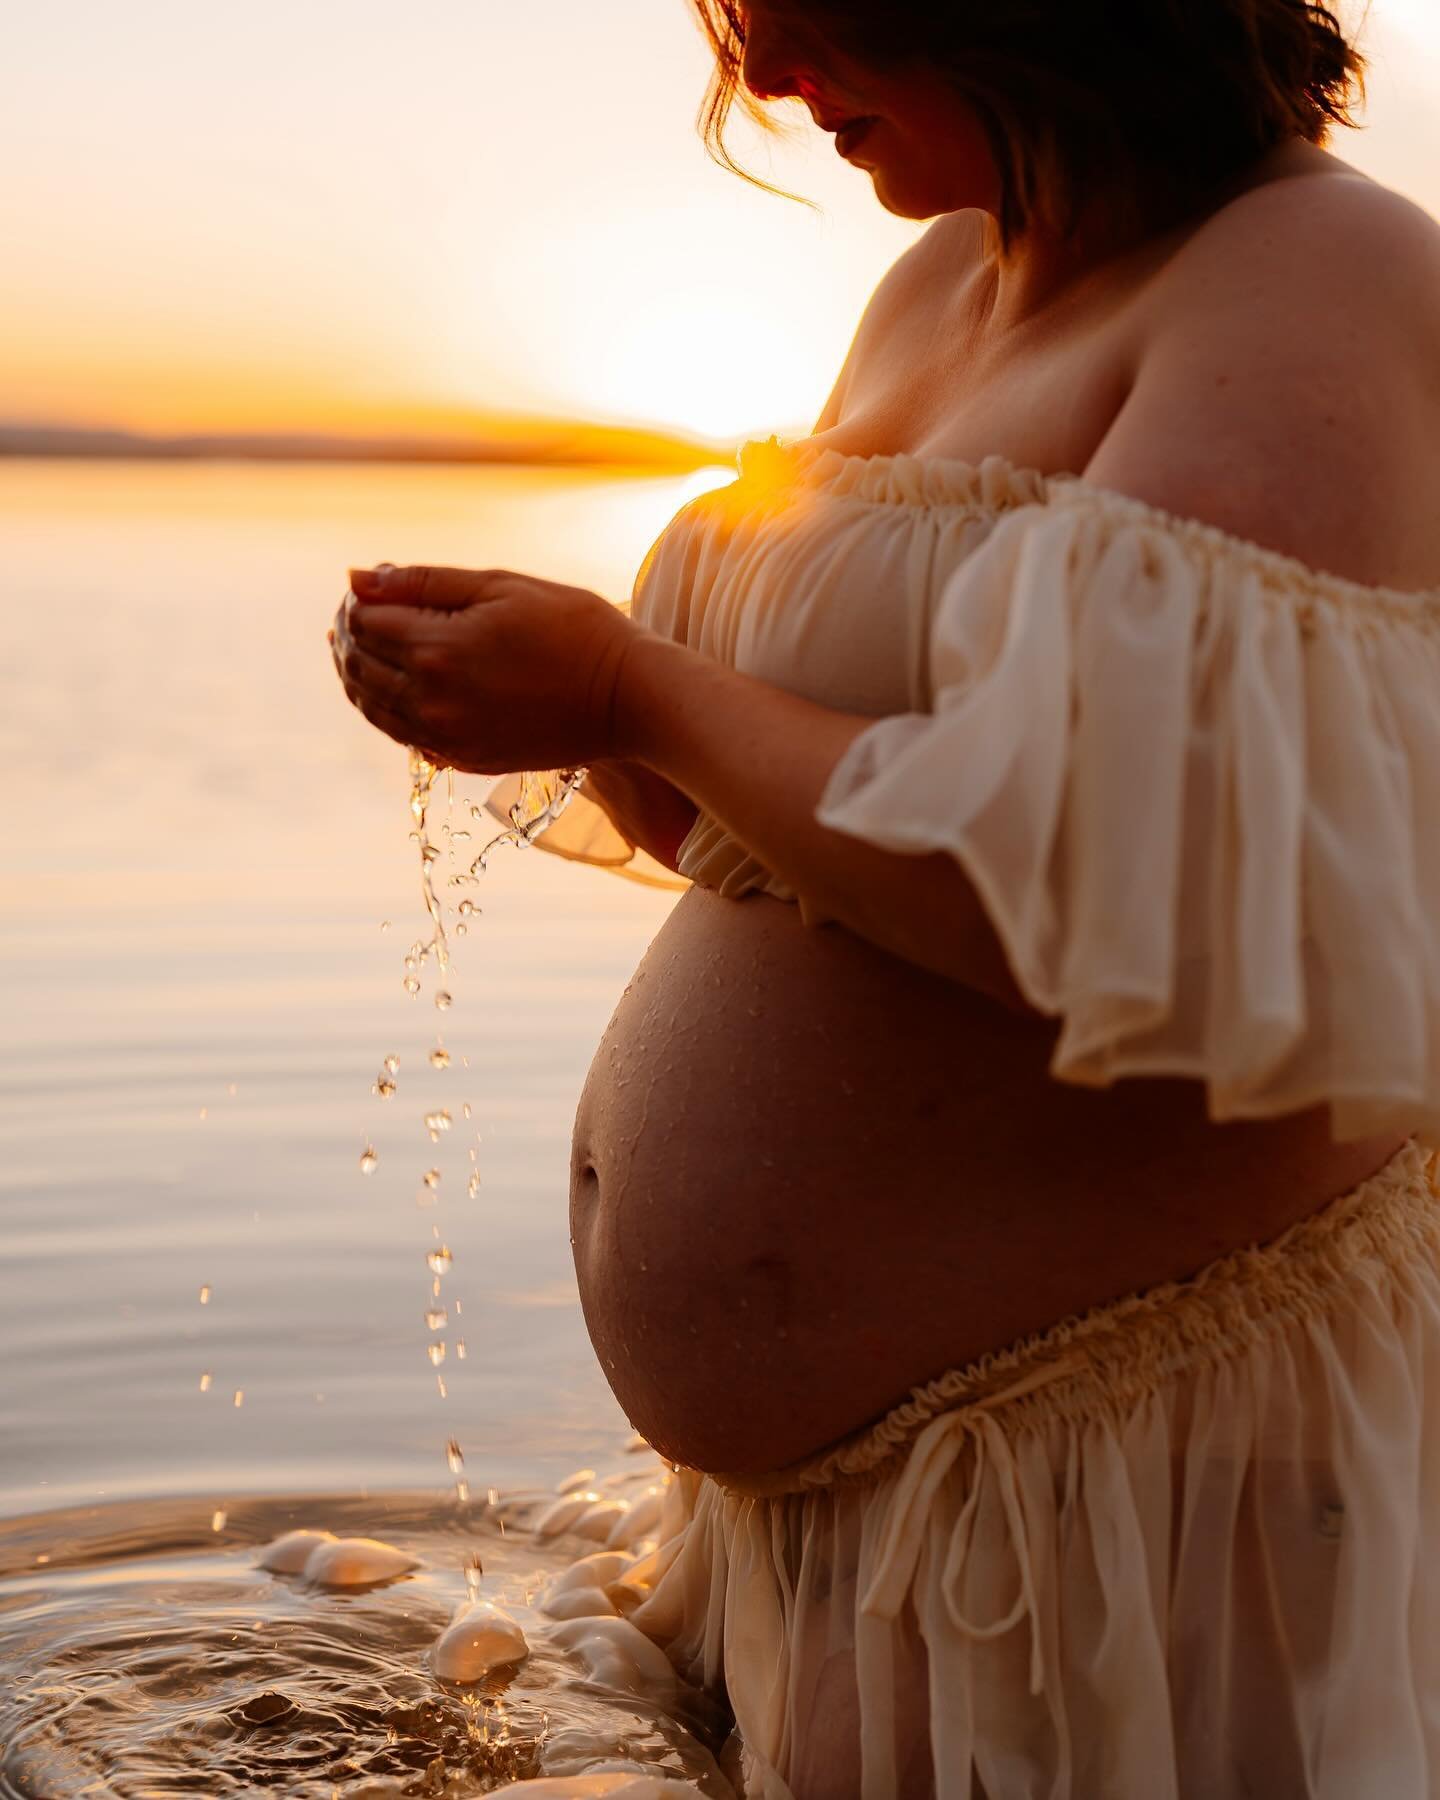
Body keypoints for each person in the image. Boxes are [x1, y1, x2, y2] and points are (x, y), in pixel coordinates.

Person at [331, 1, 1440, 1792]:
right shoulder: (939, 280)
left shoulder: (1318, 279)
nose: (765, 83)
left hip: (1110, 1496)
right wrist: (562, 717)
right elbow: (809, 865)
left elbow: (1075, 905)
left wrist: (631, 687)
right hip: (833, 1517)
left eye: (817, 16)